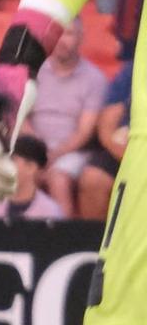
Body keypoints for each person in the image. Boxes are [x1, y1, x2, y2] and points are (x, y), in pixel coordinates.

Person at [22, 17, 107, 215]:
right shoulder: (33, 72)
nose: (61, 40)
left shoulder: (94, 79)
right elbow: (21, 118)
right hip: (33, 146)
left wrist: (53, 155)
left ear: (80, 37)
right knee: (11, 173)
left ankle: (64, 241)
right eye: (57, 34)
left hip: (72, 152)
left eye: (68, 34)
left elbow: (84, 132)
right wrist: (38, 152)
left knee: (58, 178)